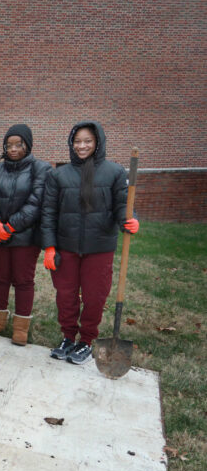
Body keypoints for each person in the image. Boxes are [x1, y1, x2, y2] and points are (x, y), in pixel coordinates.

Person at [42, 120, 137, 365]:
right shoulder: (59, 175)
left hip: (100, 246)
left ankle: (86, 340)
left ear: (97, 143)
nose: (81, 146)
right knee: (66, 295)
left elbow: (121, 204)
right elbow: (49, 213)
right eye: (77, 141)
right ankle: (68, 337)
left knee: (95, 296)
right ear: (71, 143)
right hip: (66, 246)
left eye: (87, 141)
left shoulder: (114, 172)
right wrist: (50, 247)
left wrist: (130, 220)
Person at [0, 124, 52, 346]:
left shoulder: (41, 169)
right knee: (0, 278)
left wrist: (10, 226)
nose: (13, 149)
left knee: (23, 280)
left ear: (27, 145)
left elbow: (36, 202)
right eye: (9, 145)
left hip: (26, 236)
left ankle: (21, 327)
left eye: (18, 144)